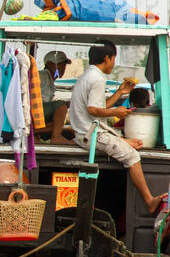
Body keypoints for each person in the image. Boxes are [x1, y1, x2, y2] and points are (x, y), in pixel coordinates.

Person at [68, 40, 164, 214]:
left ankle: (124, 142)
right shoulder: (97, 79)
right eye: (113, 59)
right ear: (107, 58)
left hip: (86, 132)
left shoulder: (87, 76)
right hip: (91, 135)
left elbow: (99, 106)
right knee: (133, 156)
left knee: (130, 143)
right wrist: (116, 112)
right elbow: (93, 109)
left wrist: (119, 92)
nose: (113, 63)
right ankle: (149, 201)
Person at [37, 50, 72, 144]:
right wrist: (61, 106)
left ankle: (34, 135)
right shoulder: (42, 75)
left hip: (38, 112)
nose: (63, 68)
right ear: (49, 64)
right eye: (60, 64)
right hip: (34, 112)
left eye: (64, 65)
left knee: (58, 123)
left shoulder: (50, 79)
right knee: (61, 106)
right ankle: (56, 137)